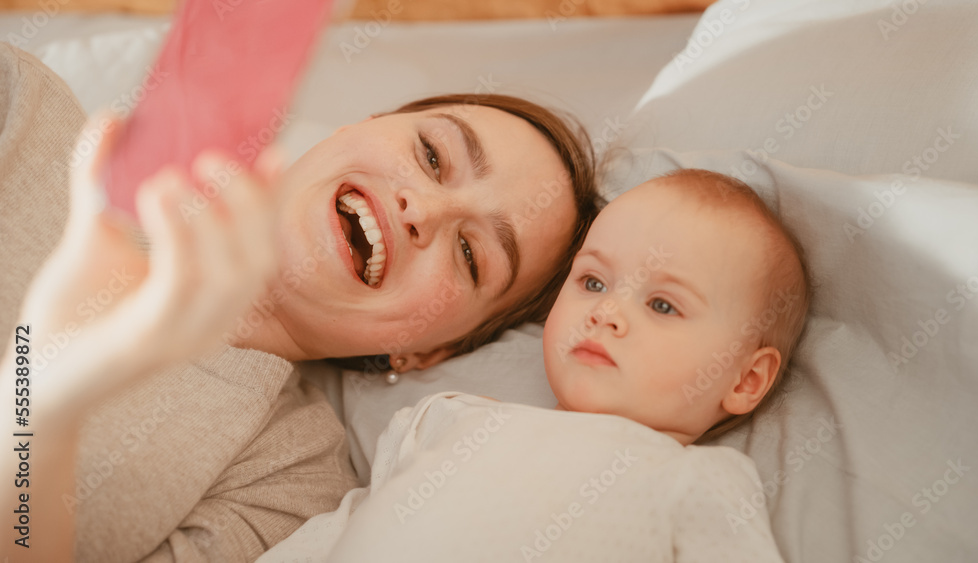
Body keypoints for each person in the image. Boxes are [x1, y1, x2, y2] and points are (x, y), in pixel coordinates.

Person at [0, 43, 601, 561]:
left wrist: (44, 399)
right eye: (434, 156)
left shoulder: (287, 485)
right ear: (356, 127)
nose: (425, 210)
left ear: (427, 351)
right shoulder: (27, 109)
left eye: (472, 256)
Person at [257, 169, 810, 561]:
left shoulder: (697, 482)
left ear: (745, 379)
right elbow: (336, 533)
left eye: (663, 305)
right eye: (593, 282)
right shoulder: (447, 420)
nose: (607, 312)